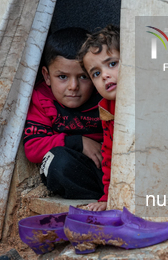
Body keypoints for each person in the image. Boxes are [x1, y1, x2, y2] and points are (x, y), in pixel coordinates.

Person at [23, 27, 104, 199]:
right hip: (76, 169)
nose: (73, 86)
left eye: (83, 77)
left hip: (107, 166)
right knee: (56, 163)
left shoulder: (104, 96)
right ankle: (100, 199)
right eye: (62, 77)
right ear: (46, 76)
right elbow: (33, 148)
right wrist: (78, 142)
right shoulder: (41, 98)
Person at [78, 25, 120, 211]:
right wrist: (107, 197)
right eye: (96, 73)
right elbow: (109, 155)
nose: (105, 75)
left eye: (112, 64)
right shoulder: (106, 109)